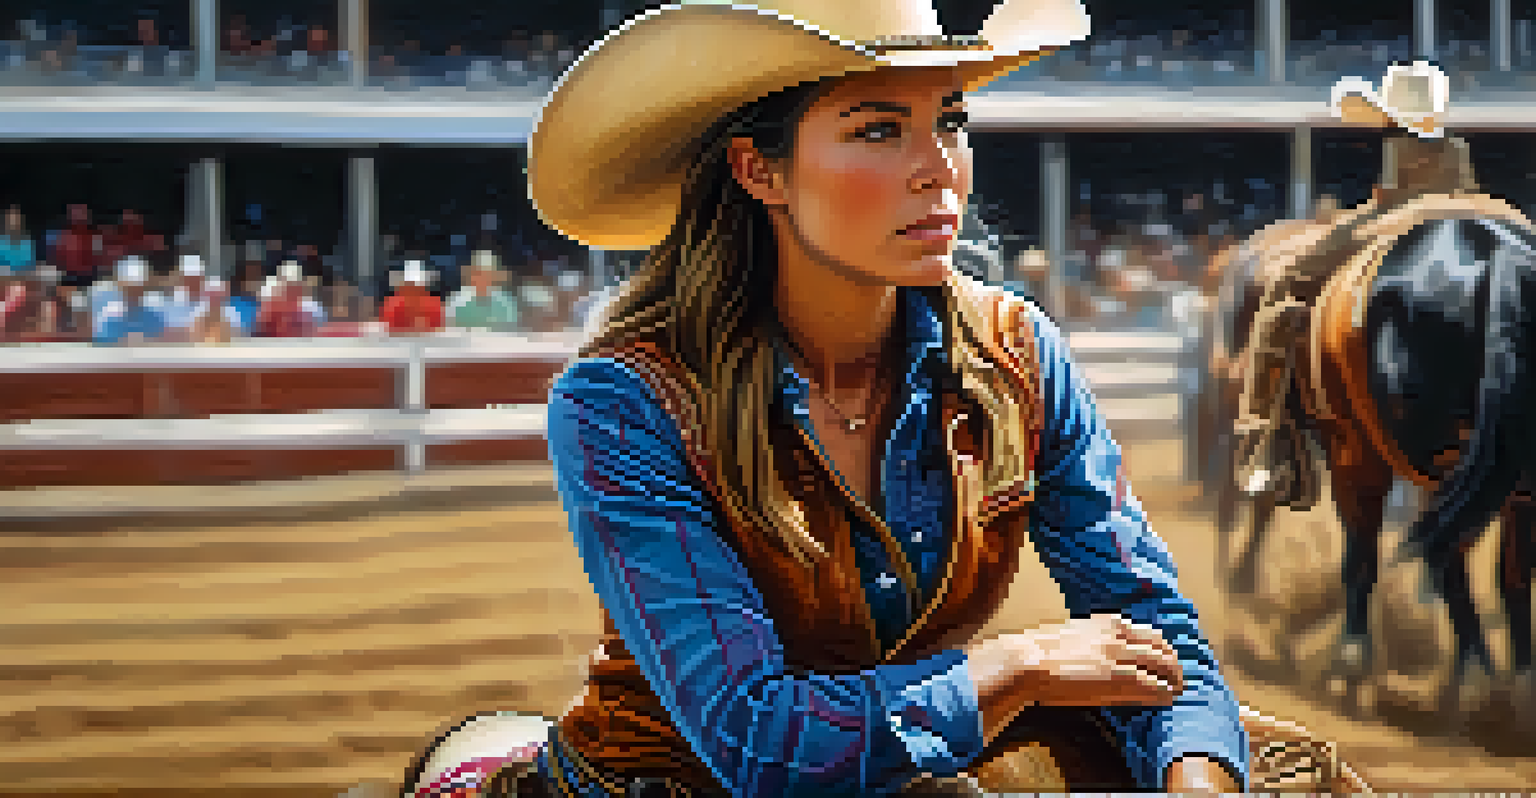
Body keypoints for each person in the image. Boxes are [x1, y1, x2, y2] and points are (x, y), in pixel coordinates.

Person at [406, 1, 1256, 796]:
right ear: (758, 170)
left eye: (950, 123)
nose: (939, 171)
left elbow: (1149, 622)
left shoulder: (1019, 351)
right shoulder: (627, 400)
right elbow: (755, 742)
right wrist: (1017, 664)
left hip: (905, 754)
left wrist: (1196, 773)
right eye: (880, 129)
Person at [1231, 60, 1512, 501]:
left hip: (1401, 214)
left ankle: (1268, 438)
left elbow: (1395, 197)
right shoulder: (1453, 147)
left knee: (1287, 283)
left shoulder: (1398, 145)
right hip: (1478, 209)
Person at [94, 255, 166, 345]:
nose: (134, 292)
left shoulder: (154, 315)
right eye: (129, 287)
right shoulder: (110, 315)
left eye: (138, 287)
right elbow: (103, 347)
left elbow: (160, 343)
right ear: (121, 286)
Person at [447, 250, 519, 332]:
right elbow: (451, 329)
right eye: (479, 273)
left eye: (488, 274)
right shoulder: (457, 301)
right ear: (471, 275)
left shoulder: (506, 301)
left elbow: (511, 329)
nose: (484, 278)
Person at [380, 260, 444, 334]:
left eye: (416, 287)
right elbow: (389, 328)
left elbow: (437, 329)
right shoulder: (393, 304)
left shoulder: (433, 304)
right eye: (410, 286)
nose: (412, 291)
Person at [0, 205, 36, 277]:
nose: (13, 223)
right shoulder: (2, 242)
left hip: (24, 276)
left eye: (16, 220)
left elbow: (30, 266)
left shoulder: (26, 242)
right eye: (11, 220)